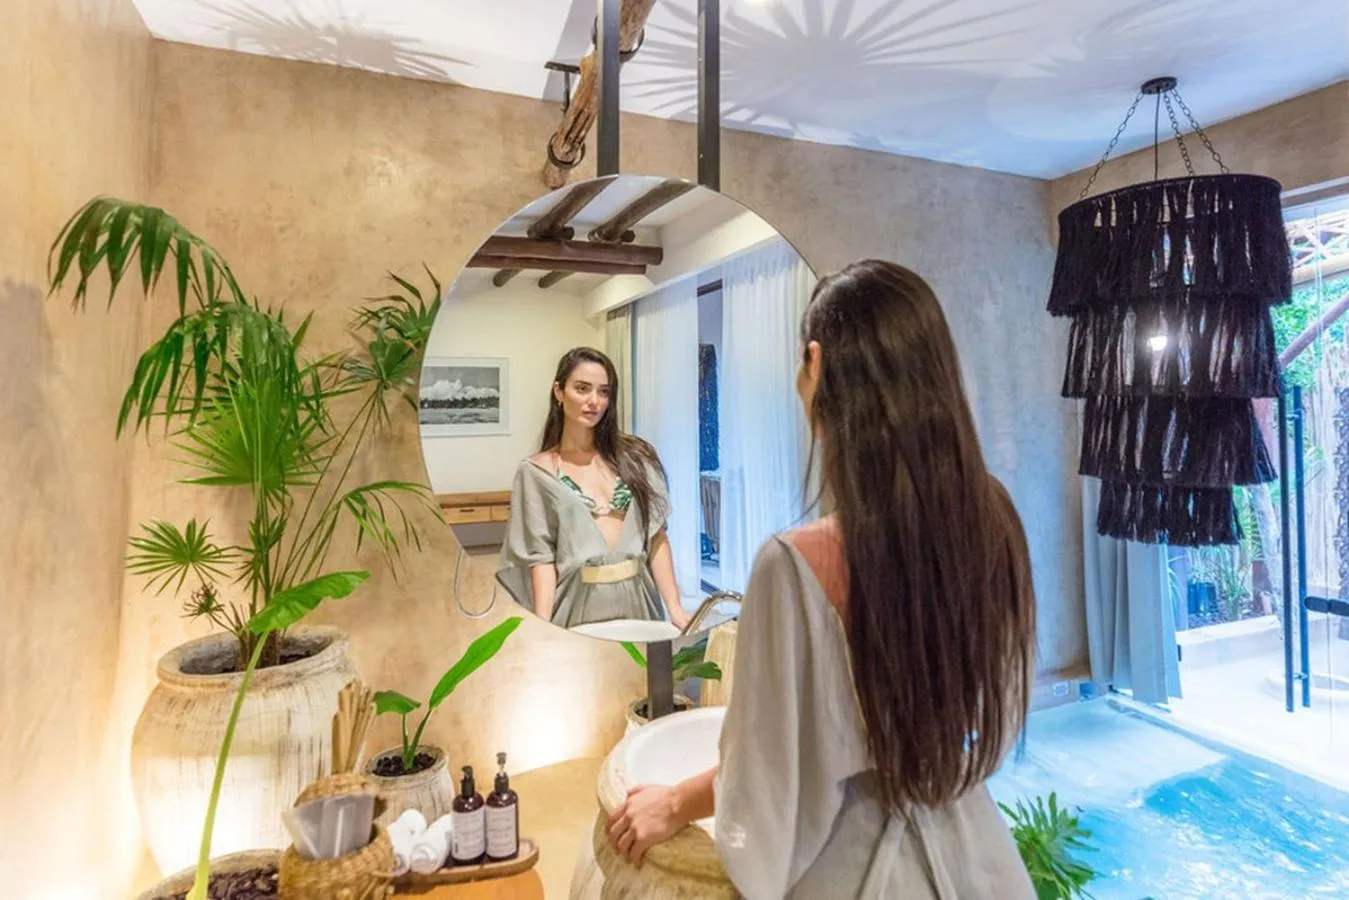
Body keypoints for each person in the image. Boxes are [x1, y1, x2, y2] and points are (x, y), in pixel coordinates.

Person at [603, 261, 1037, 898]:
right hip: (979, 859)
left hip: (857, 873)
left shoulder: (796, 564)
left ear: (815, 362)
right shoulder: (994, 518)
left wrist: (673, 803)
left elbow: (768, 791)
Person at [496, 346, 692, 632]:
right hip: (577, 604)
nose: (594, 401)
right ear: (559, 392)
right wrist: (543, 625)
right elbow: (541, 559)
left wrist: (674, 607)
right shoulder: (537, 472)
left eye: (603, 392)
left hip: (638, 603)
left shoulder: (638, 458)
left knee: (641, 675)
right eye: (582, 389)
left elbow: (657, 538)